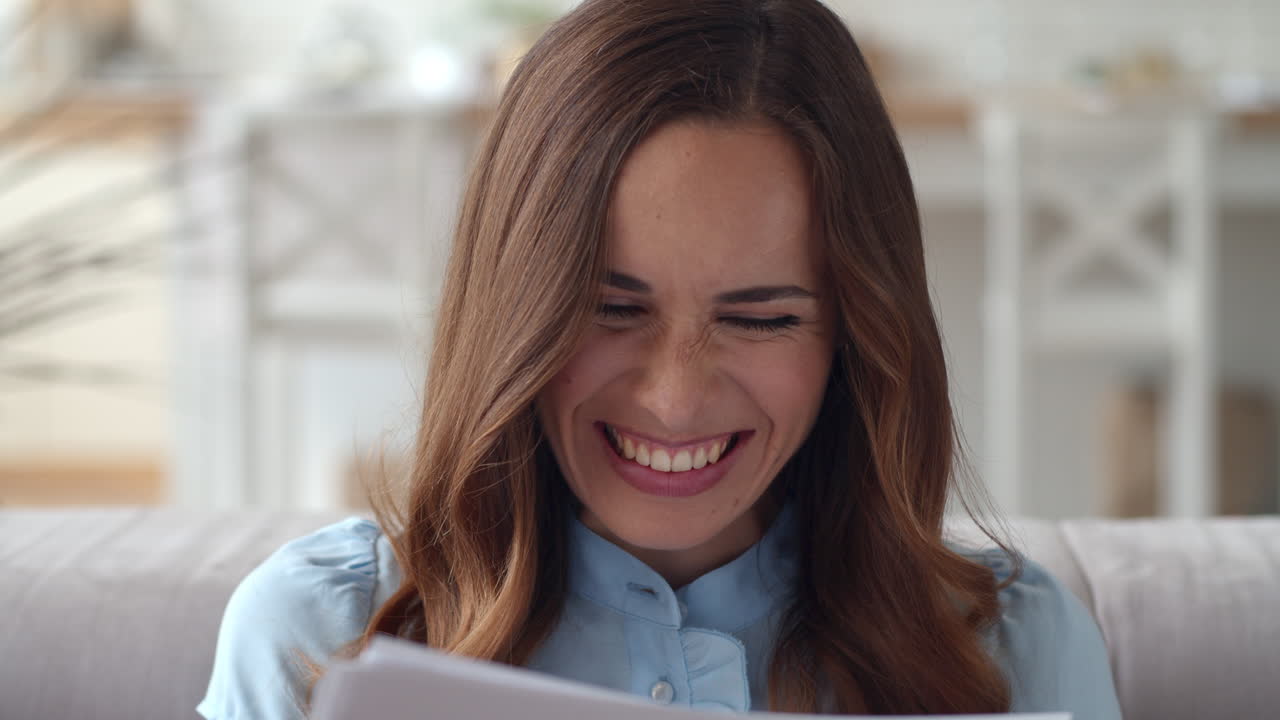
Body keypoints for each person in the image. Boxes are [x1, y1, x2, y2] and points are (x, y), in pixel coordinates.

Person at [198, 0, 1123, 717]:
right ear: (513, 313)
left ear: (856, 336)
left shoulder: (1013, 649)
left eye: (761, 320)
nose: (675, 400)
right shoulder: (317, 635)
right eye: (610, 309)